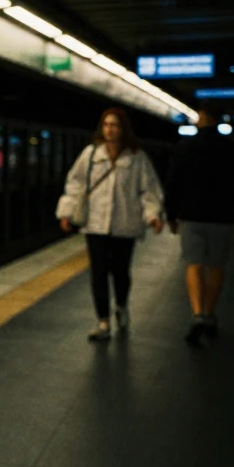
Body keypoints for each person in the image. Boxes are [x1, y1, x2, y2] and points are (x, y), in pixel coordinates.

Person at [57, 108, 164, 341]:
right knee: (98, 273)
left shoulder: (136, 158)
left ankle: (122, 306)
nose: (109, 129)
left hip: (125, 225)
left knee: (121, 272)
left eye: (114, 125)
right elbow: (75, 184)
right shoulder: (91, 154)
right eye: (106, 125)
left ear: (123, 128)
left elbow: (148, 190)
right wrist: (66, 212)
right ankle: (103, 321)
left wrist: (153, 216)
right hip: (95, 224)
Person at [165, 103, 234, 346]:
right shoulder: (233, 149)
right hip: (223, 218)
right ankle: (210, 313)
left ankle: (197, 314)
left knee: (193, 264)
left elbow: (173, 183)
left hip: (192, 216)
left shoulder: (185, 147)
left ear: (202, 117)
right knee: (216, 266)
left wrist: (170, 215)